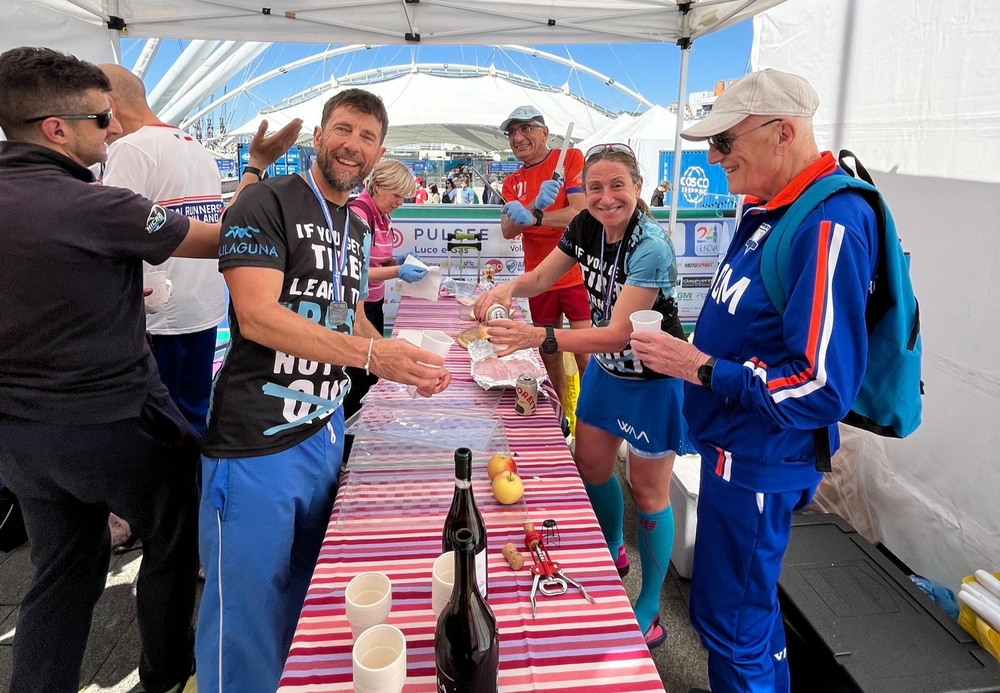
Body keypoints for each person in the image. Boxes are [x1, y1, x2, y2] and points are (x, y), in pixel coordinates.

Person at [629, 69, 881, 693]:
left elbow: (822, 385)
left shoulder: (828, 221)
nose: (713, 158)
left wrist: (700, 367)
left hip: (760, 461)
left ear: (782, 133)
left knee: (730, 624)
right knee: (747, 616)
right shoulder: (776, 209)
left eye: (724, 142)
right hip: (737, 452)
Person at [197, 88, 452, 693]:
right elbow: (257, 316)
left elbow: (346, 317)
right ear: (319, 135)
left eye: (367, 137)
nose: (352, 145)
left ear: (380, 151)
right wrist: (371, 353)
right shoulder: (266, 199)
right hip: (256, 441)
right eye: (344, 129)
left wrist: (400, 363)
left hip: (324, 434)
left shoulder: (355, 226)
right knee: (245, 617)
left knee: (309, 597)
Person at [0, 46, 226, 693]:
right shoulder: (101, 207)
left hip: (19, 438)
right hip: (112, 423)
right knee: (175, 539)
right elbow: (219, 240)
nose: (116, 129)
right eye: (102, 119)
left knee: (63, 568)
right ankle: (164, 671)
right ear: (56, 128)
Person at [474, 143, 689, 650]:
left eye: (618, 185)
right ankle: (612, 547)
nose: (607, 196)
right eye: (595, 187)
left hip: (654, 378)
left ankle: (651, 606)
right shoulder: (585, 226)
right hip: (607, 376)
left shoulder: (651, 246)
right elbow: (543, 276)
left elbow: (617, 335)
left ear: (638, 187)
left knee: (650, 493)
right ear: (583, 190)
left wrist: (540, 338)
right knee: (590, 469)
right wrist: (509, 290)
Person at [100, 63, 299, 436]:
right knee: (193, 416)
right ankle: (195, 491)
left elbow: (111, 234)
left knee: (155, 429)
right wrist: (254, 166)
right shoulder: (195, 148)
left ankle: (175, 494)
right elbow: (226, 224)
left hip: (157, 316)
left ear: (108, 104)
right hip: (203, 310)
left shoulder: (130, 150)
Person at [499, 105, 590, 407]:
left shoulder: (570, 158)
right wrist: (528, 207)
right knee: (548, 351)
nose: (517, 137)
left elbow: (580, 213)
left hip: (576, 273)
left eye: (525, 128)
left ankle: (593, 425)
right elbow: (508, 229)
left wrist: (535, 216)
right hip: (539, 278)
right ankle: (560, 416)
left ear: (544, 132)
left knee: (586, 353)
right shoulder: (511, 181)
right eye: (512, 131)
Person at [343, 159, 427, 419]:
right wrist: (396, 271)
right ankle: (349, 438)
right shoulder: (359, 214)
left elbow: (375, 260)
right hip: (356, 306)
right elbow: (353, 272)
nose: (400, 202)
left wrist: (396, 261)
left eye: (404, 197)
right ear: (378, 186)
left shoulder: (383, 216)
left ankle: (364, 425)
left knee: (370, 371)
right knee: (358, 374)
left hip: (374, 302)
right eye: (397, 195)